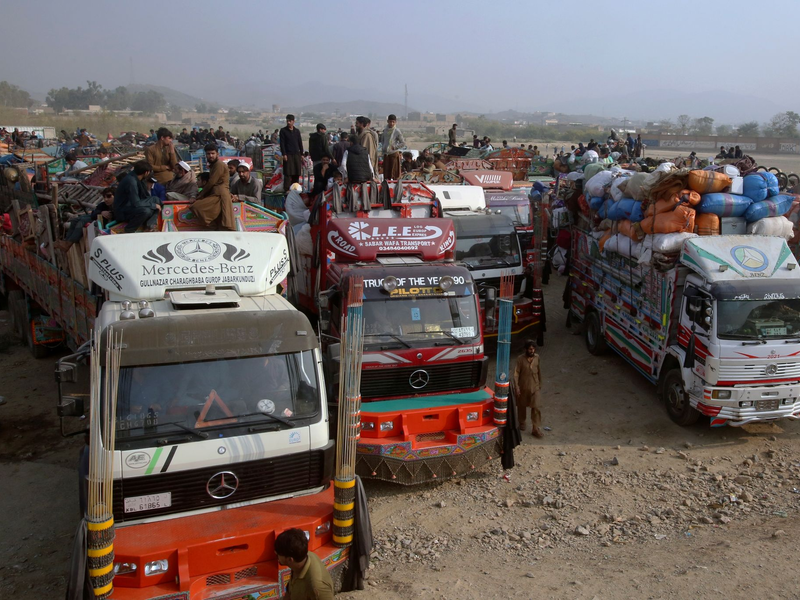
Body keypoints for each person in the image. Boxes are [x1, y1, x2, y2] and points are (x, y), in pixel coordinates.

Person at [274, 528, 334, 600]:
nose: (276, 554)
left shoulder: (317, 586)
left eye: (278, 554)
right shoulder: (300, 557)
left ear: (290, 559)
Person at [55, 187, 115, 252]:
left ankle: (70, 243)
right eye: (104, 197)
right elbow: (94, 213)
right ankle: (66, 241)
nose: (106, 199)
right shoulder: (103, 205)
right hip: (97, 218)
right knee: (76, 220)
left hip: (104, 223)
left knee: (82, 221)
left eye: (109, 196)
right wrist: (101, 212)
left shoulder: (118, 205)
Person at [190, 144, 234, 230]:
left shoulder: (219, 164)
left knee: (196, 207)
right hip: (216, 194)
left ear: (217, 154)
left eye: (212, 153)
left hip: (219, 195)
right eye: (208, 154)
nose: (210, 156)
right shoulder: (213, 165)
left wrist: (201, 195)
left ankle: (212, 227)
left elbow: (212, 182)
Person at [114, 161, 161, 233]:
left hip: (130, 206)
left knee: (156, 199)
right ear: (146, 173)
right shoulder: (131, 181)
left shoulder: (137, 178)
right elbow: (136, 203)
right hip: (123, 210)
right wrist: (153, 205)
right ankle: (129, 230)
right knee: (146, 211)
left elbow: (143, 197)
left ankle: (150, 226)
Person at [513, 339, 543, 437]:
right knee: (522, 406)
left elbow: (539, 371)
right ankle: (522, 422)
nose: (532, 351)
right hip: (523, 387)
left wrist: (540, 384)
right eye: (530, 349)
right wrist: (516, 387)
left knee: (536, 407)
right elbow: (516, 373)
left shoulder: (537, 358)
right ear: (526, 349)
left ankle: (535, 428)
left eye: (533, 349)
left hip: (535, 387)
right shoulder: (520, 359)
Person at [280, 114, 303, 188]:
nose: (288, 122)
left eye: (290, 121)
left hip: (296, 154)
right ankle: (287, 190)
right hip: (288, 154)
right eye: (287, 121)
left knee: (296, 172)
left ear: (293, 121)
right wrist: (284, 154)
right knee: (288, 173)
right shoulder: (283, 131)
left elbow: (300, 142)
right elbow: (282, 143)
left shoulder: (297, 131)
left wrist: (301, 154)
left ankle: (295, 189)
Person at [381, 115, 405, 180]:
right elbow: (383, 141)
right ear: (387, 121)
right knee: (386, 173)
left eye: (393, 122)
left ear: (395, 122)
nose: (391, 123)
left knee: (395, 173)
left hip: (394, 154)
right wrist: (384, 148)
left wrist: (394, 147)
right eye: (390, 121)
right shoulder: (385, 131)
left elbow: (402, 143)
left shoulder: (397, 131)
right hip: (386, 154)